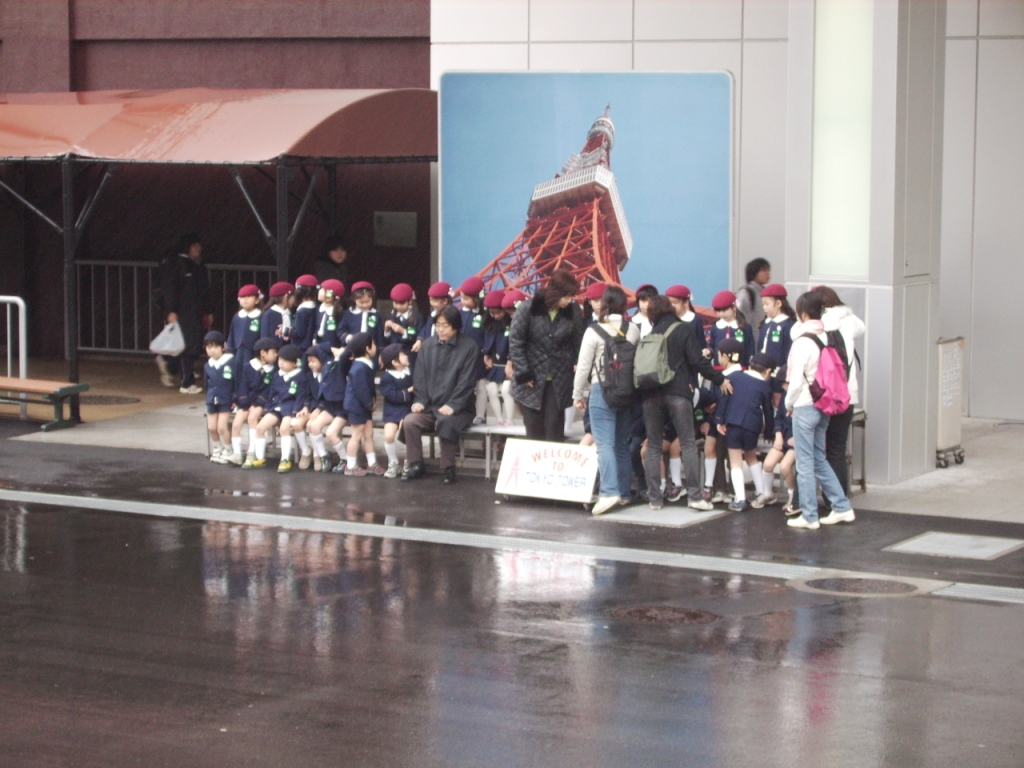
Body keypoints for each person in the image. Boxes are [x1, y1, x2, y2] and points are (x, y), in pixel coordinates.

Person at [640, 296, 730, 511]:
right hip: (678, 393)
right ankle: (695, 497)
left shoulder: (650, 335)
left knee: (653, 446)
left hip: (651, 394)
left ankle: (654, 498)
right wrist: (720, 379)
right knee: (688, 444)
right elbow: (697, 361)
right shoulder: (682, 329)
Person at [785, 291, 856, 529]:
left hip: (805, 405)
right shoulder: (828, 337)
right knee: (819, 458)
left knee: (804, 463)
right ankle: (842, 506)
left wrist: (788, 404)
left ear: (803, 313)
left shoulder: (802, 341)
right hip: (824, 404)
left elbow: (795, 382)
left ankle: (809, 515)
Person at [572, 285, 640, 516]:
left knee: (604, 445)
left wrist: (577, 394)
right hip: (626, 392)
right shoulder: (633, 330)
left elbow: (583, 367)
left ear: (604, 303)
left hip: (602, 390)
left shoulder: (593, 331)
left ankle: (608, 492)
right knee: (622, 443)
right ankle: (623, 492)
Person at [400, 305, 480, 484]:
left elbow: (466, 382)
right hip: (430, 405)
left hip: (460, 408)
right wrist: (420, 401)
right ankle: (415, 463)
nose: (441, 329)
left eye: (445, 325)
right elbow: (419, 376)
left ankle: (448, 467)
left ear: (456, 326)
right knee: (410, 421)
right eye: (438, 325)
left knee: (446, 421)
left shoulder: (469, 347)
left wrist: (453, 405)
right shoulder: (428, 345)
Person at [508, 270, 585, 442]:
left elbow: (578, 342)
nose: (569, 300)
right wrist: (523, 371)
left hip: (559, 381)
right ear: (555, 293)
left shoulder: (573, 311)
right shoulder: (528, 308)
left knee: (554, 431)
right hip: (531, 380)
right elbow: (516, 341)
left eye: (571, 296)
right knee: (534, 432)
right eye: (566, 296)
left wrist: (577, 362)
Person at [817, 285, 865, 499]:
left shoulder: (819, 327)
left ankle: (829, 497)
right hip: (848, 395)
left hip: (825, 396)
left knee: (821, 449)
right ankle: (839, 499)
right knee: (837, 449)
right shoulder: (850, 321)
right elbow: (861, 328)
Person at [715, 344, 774, 512]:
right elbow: (768, 412)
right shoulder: (765, 386)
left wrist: (720, 420)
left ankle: (740, 499)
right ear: (767, 371)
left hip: (733, 422)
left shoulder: (735, 377)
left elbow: (724, 398)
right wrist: (769, 431)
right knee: (751, 456)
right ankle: (761, 492)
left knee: (735, 462)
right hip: (752, 425)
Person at [156, 233, 213, 394]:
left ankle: (169, 362)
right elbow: (170, 290)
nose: (199, 249)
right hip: (183, 312)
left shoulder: (198, 266)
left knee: (192, 343)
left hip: (196, 311)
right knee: (189, 345)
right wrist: (171, 310)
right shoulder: (176, 265)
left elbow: (204, 290)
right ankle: (186, 381)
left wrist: (208, 310)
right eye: (195, 246)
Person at [243, 342, 306, 471]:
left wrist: (294, 413)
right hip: (276, 406)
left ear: (294, 363)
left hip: (290, 408)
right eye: (280, 360)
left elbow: (301, 397)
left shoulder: (301, 377)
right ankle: (260, 458)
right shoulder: (277, 375)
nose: (281, 363)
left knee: (284, 428)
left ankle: (285, 459)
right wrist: (266, 408)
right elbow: (271, 392)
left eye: (285, 361)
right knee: (260, 427)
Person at [228, 337, 278, 466]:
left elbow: (268, 390)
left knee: (252, 418)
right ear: (263, 353)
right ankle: (237, 454)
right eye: (273, 352)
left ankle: (252, 451)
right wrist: (244, 403)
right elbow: (242, 385)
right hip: (246, 402)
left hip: (261, 402)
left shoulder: (273, 370)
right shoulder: (247, 366)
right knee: (236, 423)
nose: (276, 355)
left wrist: (257, 403)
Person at [342, 333, 383, 476]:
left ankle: (372, 463)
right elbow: (361, 390)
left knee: (369, 434)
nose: (376, 347)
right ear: (367, 348)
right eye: (374, 344)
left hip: (363, 406)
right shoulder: (359, 367)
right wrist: (369, 404)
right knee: (356, 435)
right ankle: (351, 465)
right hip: (357, 406)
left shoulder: (365, 364)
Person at [379, 343, 414, 478]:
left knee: (406, 433)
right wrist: (408, 391)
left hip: (407, 410)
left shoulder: (409, 373)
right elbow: (392, 396)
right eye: (403, 355)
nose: (406, 356)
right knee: (388, 435)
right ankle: (393, 462)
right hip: (392, 411)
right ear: (394, 362)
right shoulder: (387, 378)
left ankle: (408, 461)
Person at [203, 331, 234, 464]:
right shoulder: (207, 365)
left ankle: (229, 449)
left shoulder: (231, 362)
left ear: (223, 347)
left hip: (226, 399)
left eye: (215, 347)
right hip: (212, 399)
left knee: (222, 427)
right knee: (211, 427)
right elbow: (206, 384)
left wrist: (235, 398)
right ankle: (218, 448)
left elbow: (236, 382)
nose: (212, 350)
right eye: (209, 347)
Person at [479, 289, 510, 424]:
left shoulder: (511, 323)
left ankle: (509, 419)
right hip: (495, 364)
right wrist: (486, 354)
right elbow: (488, 341)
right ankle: (499, 419)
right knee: (491, 389)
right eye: (492, 313)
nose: (495, 316)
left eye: (499, 312)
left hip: (509, 364)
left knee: (506, 390)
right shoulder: (489, 323)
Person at [708, 290, 755, 366]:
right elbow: (712, 346)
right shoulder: (716, 327)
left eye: (724, 310)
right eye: (718, 311)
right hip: (719, 369)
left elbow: (750, 350)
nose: (721, 314)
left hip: (739, 368)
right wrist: (709, 351)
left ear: (733, 307)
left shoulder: (745, 327)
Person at [225, 284, 263, 372]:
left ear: (257, 300)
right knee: (238, 371)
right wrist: (229, 351)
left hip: (253, 351)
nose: (245, 299)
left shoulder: (260, 316)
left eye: (249, 296)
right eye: (242, 297)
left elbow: (262, 335)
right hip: (238, 351)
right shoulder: (237, 316)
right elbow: (232, 335)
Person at [383, 283, 425, 359]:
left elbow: (419, 336)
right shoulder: (391, 315)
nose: (398, 306)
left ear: (410, 301)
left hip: (410, 354)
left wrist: (402, 331)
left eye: (402, 303)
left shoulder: (417, 317)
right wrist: (386, 329)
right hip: (394, 354)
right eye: (395, 303)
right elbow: (387, 339)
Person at [340, 281, 384, 350]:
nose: (365, 305)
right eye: (361, 302)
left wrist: (380, 351)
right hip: (351, 349)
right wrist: (349, 337)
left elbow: (380, 336)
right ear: (354, 299)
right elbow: (341, 331)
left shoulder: (376, 314)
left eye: (367, 301)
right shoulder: (347, 314)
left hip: (370, 351)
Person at [735, 257, 772, 330]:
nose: (767, 273)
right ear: (753, 273)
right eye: (763, 270)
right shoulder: (746, 294)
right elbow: (739, 318)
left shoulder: (767, 293)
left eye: (768, 270)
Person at [290, 275, 320, 351]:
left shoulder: (302, 311)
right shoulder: (316, 308)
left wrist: (286, 330)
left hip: (301, 348)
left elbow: (299, 333)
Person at [315, 279, 345, 347]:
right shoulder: (318, 309)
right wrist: (314, 338)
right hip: (318, 345)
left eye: (322, 289)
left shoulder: (339, 313)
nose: (319, 291)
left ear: (329, 297)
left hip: (332, 347)